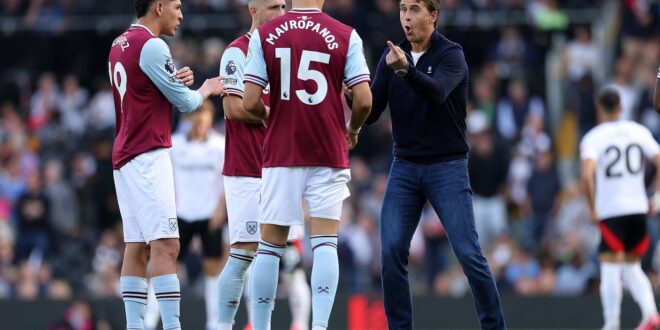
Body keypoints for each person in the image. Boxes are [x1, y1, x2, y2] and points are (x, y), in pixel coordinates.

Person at [361, 0, 506, 329]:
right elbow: (372, 114)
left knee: (469, 254)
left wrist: (406, 71)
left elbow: (437, 92)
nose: (406, 17)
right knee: (391, 252)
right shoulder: (392, 57)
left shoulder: (451, 54)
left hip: (447, 166)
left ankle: (494, 327)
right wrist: (353, 98)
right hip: (405, 166)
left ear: (434, 15)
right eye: (402, 9)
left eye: (414, 9)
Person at [242, 0, 373, 328]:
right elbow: (365, 99)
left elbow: (249, 101)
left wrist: (268, 117)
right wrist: (353, 129)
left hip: (282, 150)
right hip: (328, 149)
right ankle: (320, 326)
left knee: (270, 247)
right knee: (325, 242)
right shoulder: (346, 34)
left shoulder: (266, 35)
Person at [108, 0, 225, 329]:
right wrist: (206, 88)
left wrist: (173, 80)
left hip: (124, 154)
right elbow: (187, 103)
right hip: (148, 153)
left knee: (136, 245)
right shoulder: (153, 44)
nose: (181, 14)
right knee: (166, 245)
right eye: (176, 6)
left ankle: (135, 326)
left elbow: (145, 93)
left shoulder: (119, 44)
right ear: (158, 6)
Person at [216, 1, 311, 329]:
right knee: (243, 255)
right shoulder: (236, 52)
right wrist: (276, 116)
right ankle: (223, 325)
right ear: (253, 10)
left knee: (288, 259)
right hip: (246, 171)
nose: (282, 13)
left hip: (283, 170)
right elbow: (233, 108)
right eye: (274, 6)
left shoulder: (288, 56)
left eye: (285, 6)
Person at [580, 87, 660, 330]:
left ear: (599, 109)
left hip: (611, 210)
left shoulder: (594, 137)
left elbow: (586, 175)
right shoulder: (638, 131)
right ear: (621, 108)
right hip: (637, 208)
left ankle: (612, 322)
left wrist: (593, 208)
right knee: (631, 265)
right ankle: (650, 313)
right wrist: (656, 195)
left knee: (609, 266)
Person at [145, 101, 227, 330]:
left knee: (213, 270)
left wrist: (220, 209)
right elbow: (163, 178)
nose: (201, 125)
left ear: (210, 121)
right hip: (179, 215)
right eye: (197, 119)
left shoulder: (220, 146)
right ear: (189, 119)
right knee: (165, 268)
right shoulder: (175, 145)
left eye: (205, 120)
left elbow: (227, 179)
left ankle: (215, 324)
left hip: (209, 215)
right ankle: (150, 321)